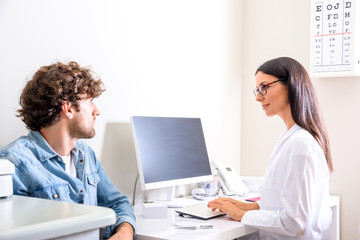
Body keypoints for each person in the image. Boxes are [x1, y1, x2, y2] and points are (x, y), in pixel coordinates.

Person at [0, 61, 135, 240]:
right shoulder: (13, 164)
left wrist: (124, 232)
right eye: (90, 101)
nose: (97, 111)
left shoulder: (86, 155)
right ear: (68, 108)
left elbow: (117, 202)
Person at [208, 57, 333, 239]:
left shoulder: (300, 144)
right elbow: (284, 204)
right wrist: (248, 207)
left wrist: (242, 215)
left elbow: (296, 223)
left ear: (290, 85)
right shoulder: (290, 139)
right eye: (257, 90)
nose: (258, 97)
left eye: (264, 87)